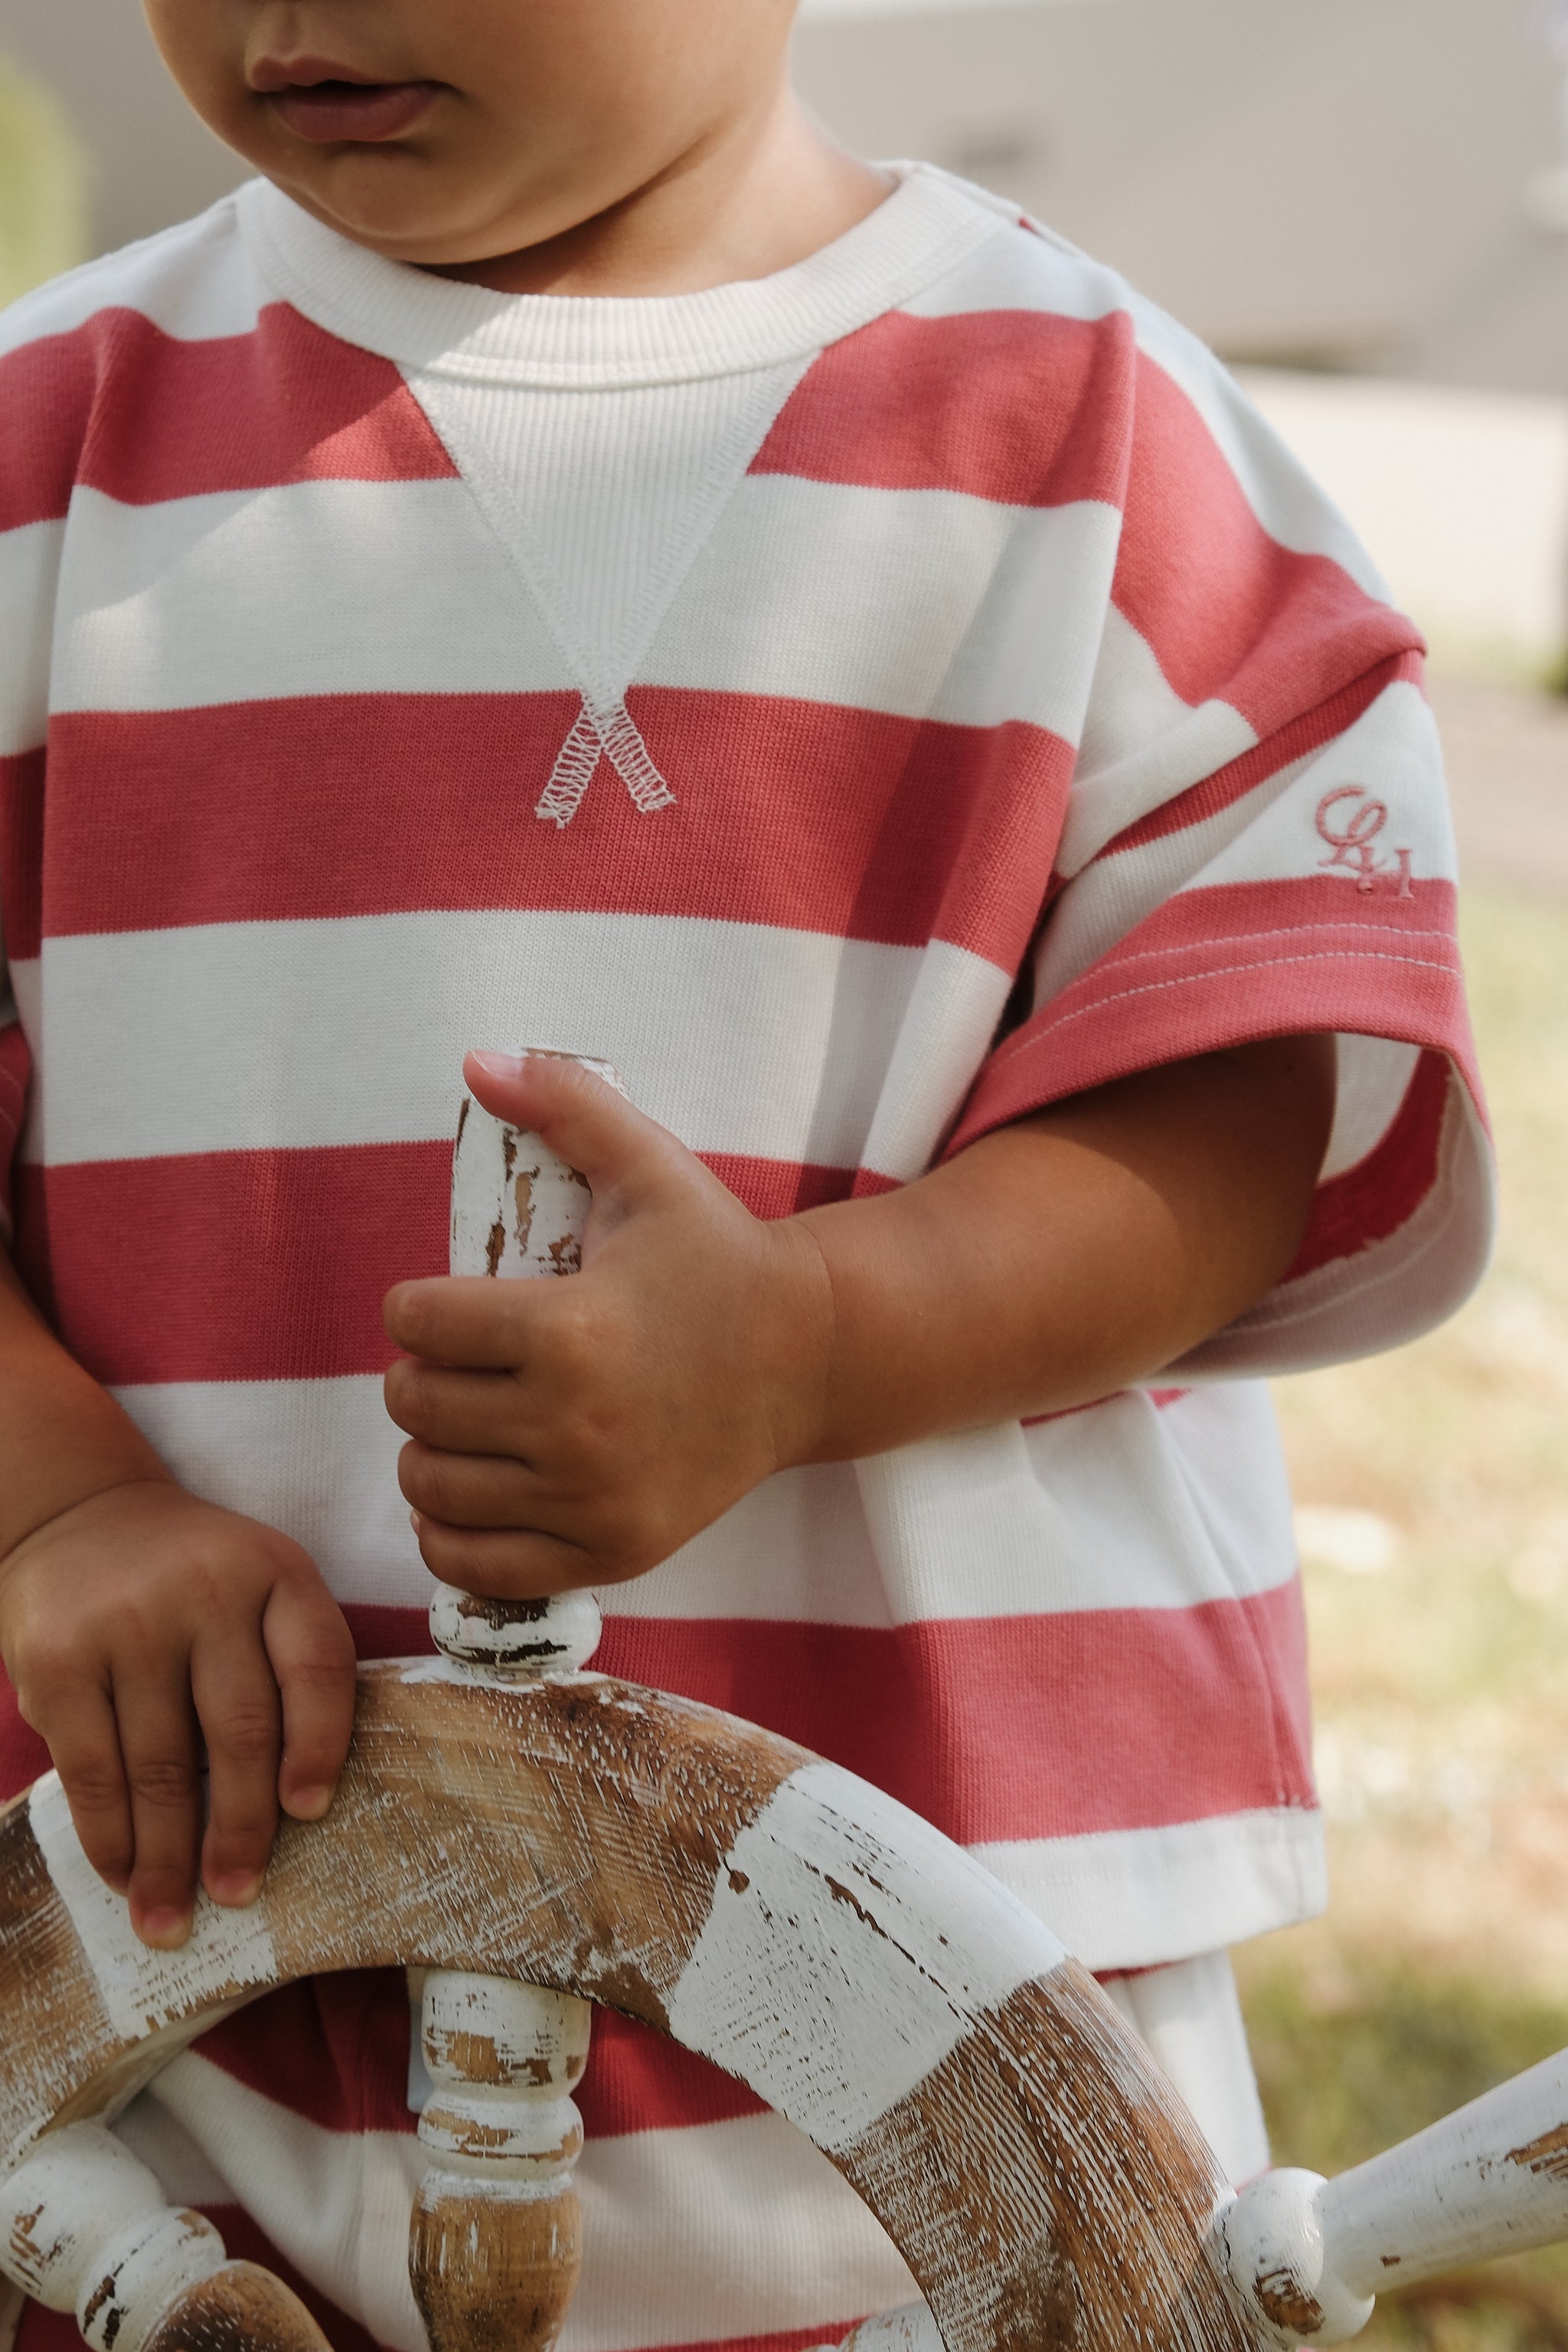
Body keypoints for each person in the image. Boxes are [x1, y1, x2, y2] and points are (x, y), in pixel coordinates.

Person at [0, 2, 1491, 2347]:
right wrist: (62, 1503)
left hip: (930, 2037)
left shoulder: (1089, 431)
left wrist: (809, 1341)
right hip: (191, 2004)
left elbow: (1237, 1105)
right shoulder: (43, 445)